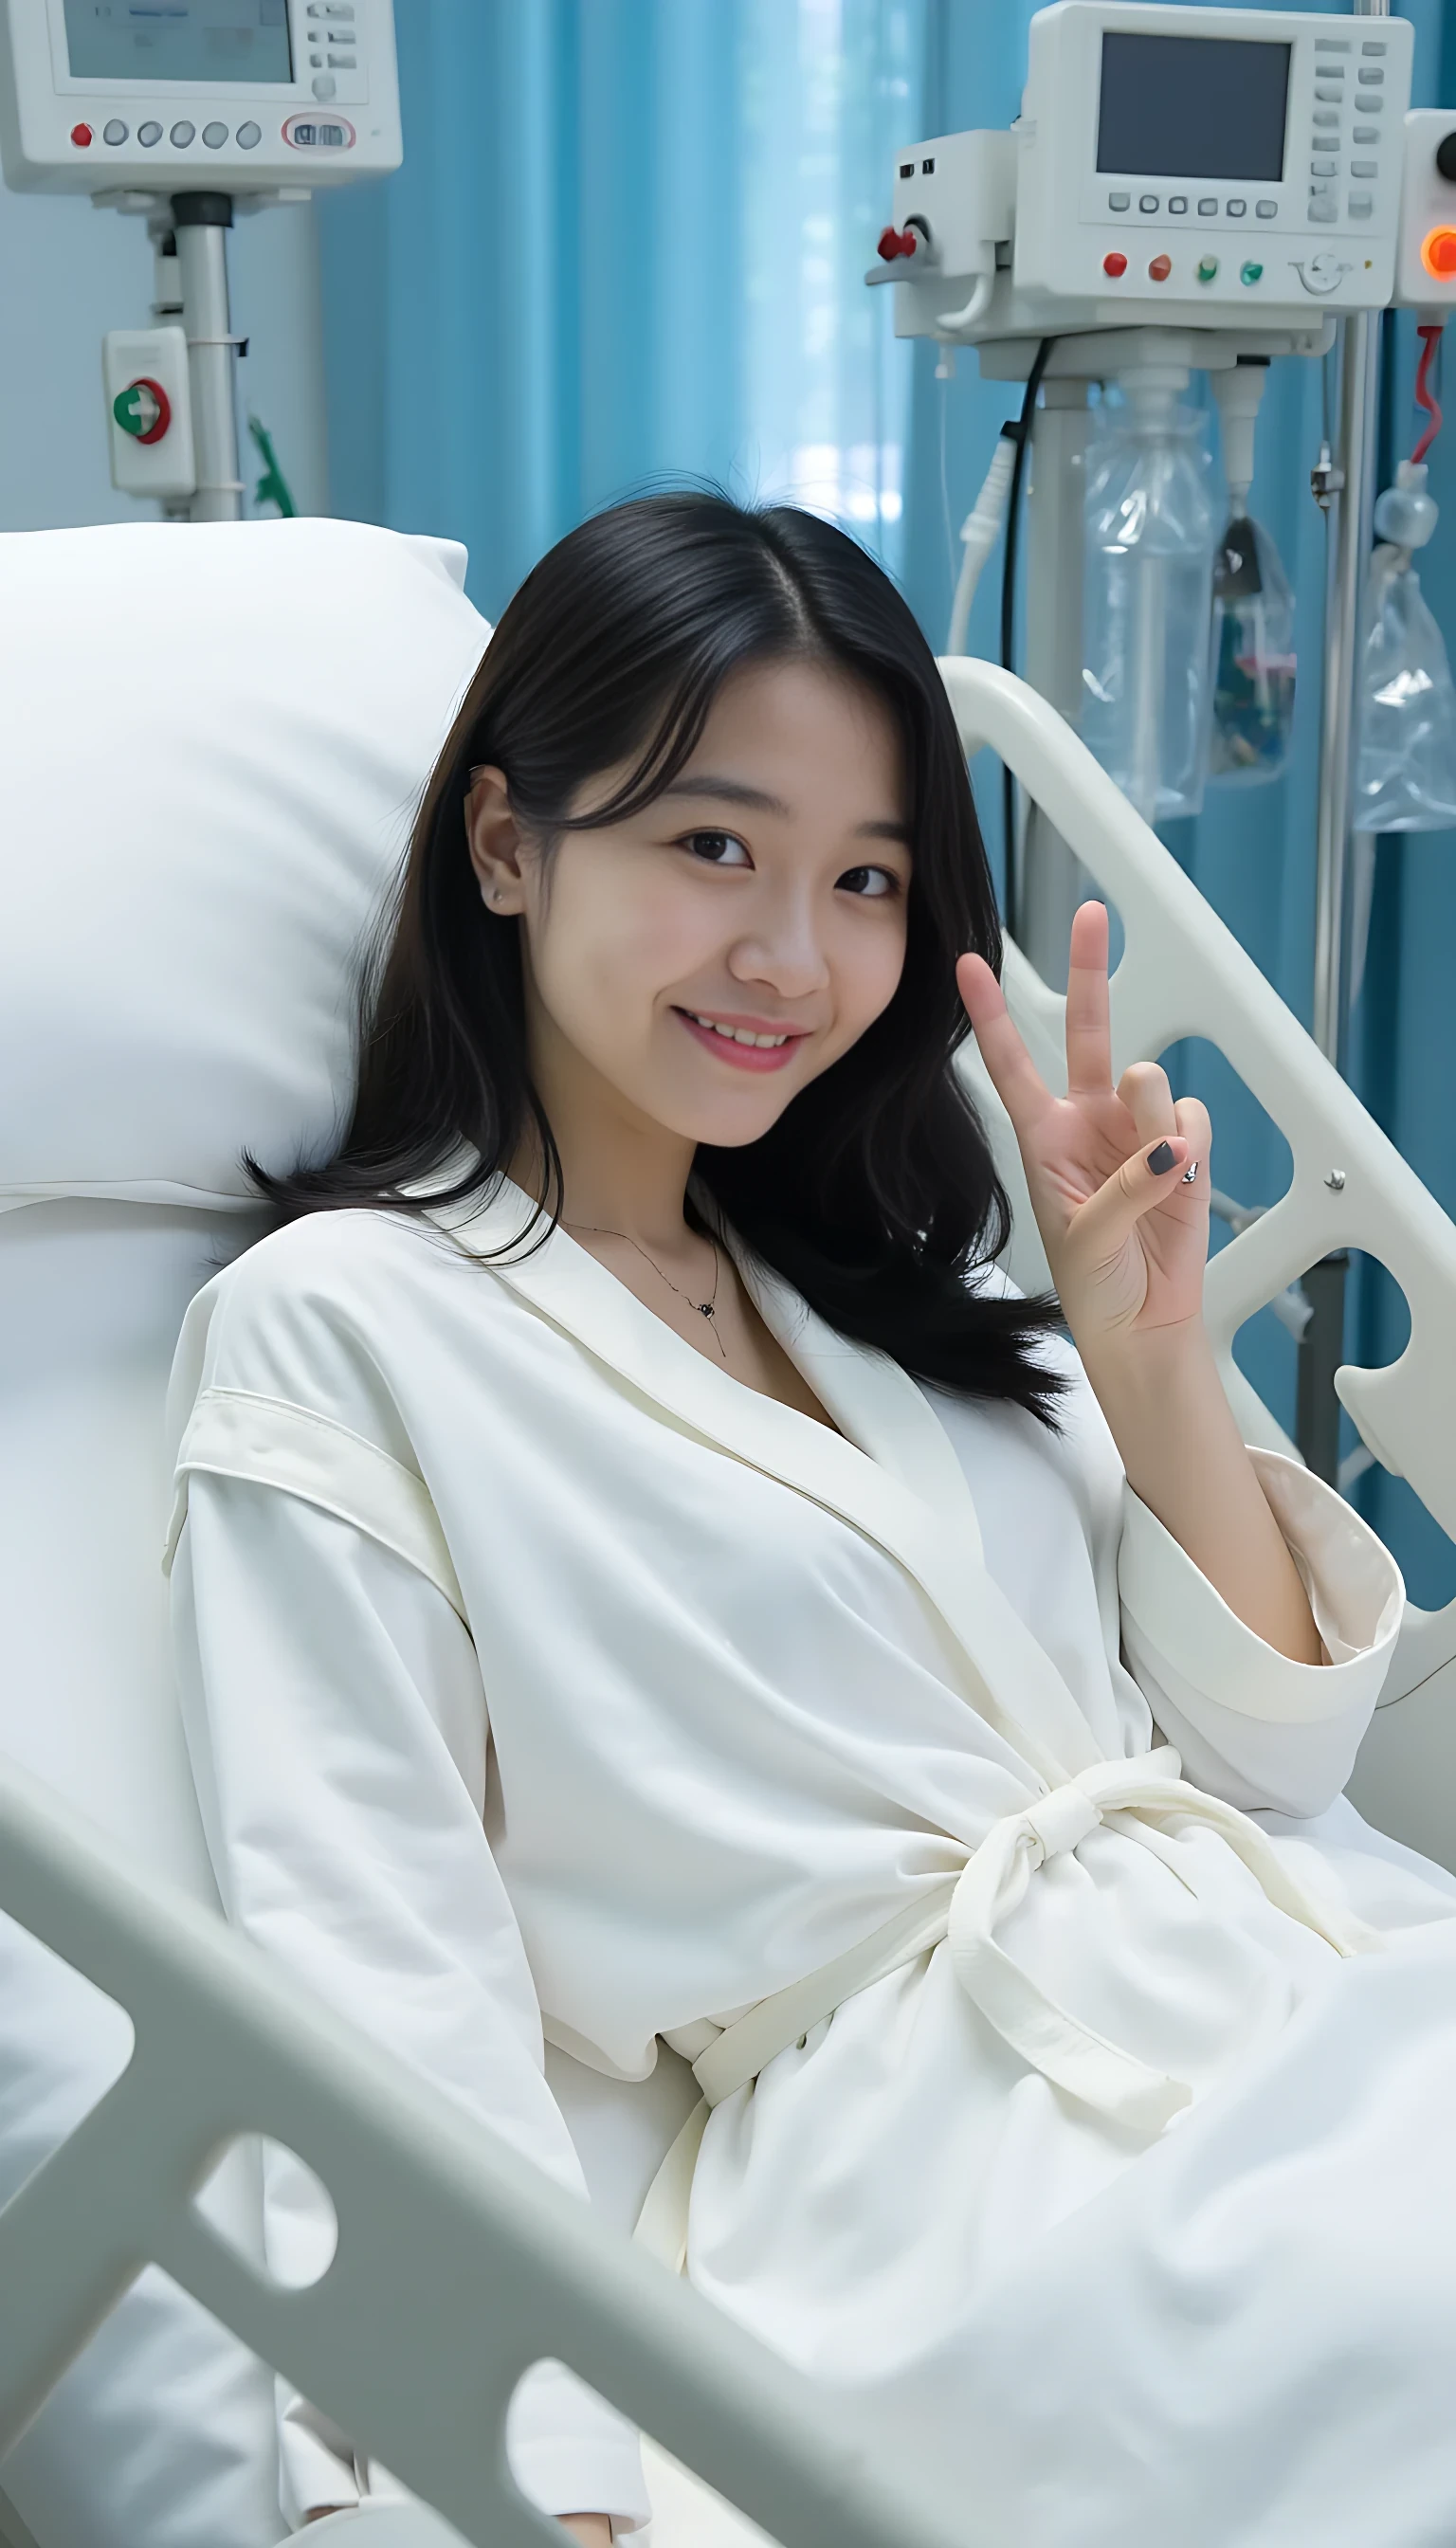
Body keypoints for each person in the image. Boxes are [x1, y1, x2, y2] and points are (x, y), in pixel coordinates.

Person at [165, 492, 1456, 2547]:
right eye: (711, 848)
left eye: (865, 878)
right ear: (506, 843)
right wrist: (529, 2478)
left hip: (1329, 1995)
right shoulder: (341, 1333)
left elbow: (1281, 1758)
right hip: (980, 2175)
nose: (794, 954)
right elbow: (372, 1955)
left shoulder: (879, 1281)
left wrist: (1150, 1367)